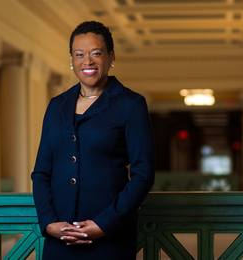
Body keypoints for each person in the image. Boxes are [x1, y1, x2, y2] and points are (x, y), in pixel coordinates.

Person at [31, 20, 155, 260]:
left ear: (111, 57)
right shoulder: (56, 106)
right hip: (61, 238)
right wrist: (48, 223)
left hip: (109, 238)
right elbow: (41, 172)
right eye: (79, 54)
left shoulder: (131, 105)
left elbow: (143, 174)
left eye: (96, 54)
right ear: (71, 60)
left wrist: (105, 224)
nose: (87, 61)